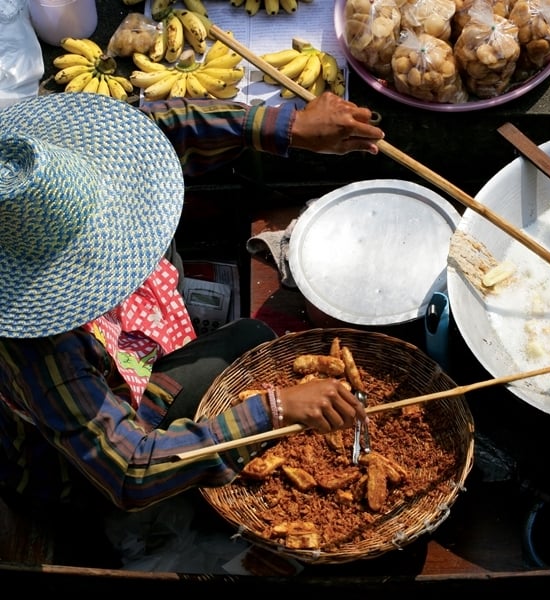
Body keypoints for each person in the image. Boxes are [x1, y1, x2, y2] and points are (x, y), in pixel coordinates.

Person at [0, 91, 383, 565]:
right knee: (249, 347)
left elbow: (163, 123)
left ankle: (163, 371)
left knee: (248, 342)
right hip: (70, 463)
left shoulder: (40, 165)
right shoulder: (41, 350)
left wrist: (289, 125)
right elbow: (130, 470)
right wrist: (274, 410)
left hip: (121, 362)